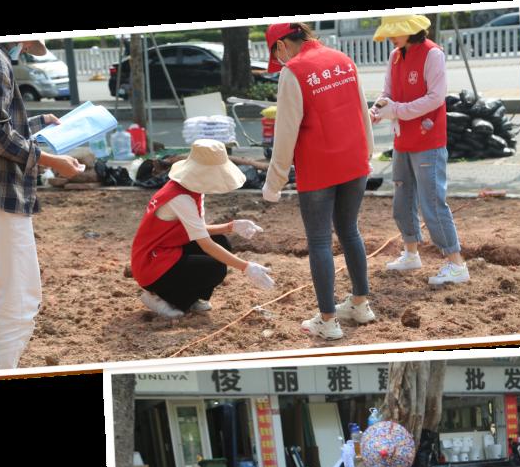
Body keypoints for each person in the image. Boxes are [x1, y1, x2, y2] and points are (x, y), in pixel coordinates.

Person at [261, 22, 375, 341]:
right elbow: (361, 109)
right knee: (350, 230)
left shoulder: (293, 72)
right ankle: (359, 304)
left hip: (319, 167)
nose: (279, 62)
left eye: (276, 54)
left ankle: (327, 320)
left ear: (282, 45)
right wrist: (368, 149)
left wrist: (274, 183)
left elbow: (286, 133)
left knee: (320, 242)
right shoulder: (342, 59)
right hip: (355, 161)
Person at [0, 39, 84, 371]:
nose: (23, 53)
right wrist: (50, 160)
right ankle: (5, 368)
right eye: (26, 48)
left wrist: (37, 122)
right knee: (17, 300)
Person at [370, 15, 469, 286]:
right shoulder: (395, 56)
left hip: (428, 141)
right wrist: (378, 109)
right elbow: (388, 92)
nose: (390, 36)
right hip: (402, 139)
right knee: (402, 199)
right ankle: (411, 252)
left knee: (432, 203)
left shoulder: (432, 54)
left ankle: (456, 263)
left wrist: (397, 111)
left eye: (395, 31)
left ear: (411, 30)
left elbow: (436, 97)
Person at [130, 139, 274, 319]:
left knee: (221, 242)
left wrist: (231, 227)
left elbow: (198, 229)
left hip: (167, 249)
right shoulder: (180, 197)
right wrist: (246, 267)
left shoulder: (192, 189)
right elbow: (205, 244)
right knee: (215, 268)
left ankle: (190, 299)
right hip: (151, 263)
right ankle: (161, 297)